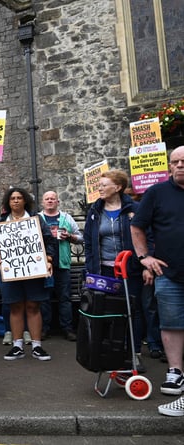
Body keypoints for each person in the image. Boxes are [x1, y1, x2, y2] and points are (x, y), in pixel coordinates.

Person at [131, 146, 184, 416]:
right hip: (170, 273)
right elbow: (137, 225)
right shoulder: (157, 193)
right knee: (172, 324)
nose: (179, 166)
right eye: (174, 162)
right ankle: (176, 371)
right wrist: (144, 258)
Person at [84, 169, 144, 369]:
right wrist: (90, 269)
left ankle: (134, 352)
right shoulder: (94, 211)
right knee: (107, 312)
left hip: (130, 270)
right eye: (99, 185)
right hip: (104, 271)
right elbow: (89, 243)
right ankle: (110, 354)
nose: (99, 188)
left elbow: (145, 236)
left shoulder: (134, 209)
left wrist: (143, 264)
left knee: (131, 311)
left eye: (103, 185)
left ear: (117, 187)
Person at [0, 187, 57, 361]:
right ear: (8, 202)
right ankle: (17, 346)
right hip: (11, 271)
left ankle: (37, 346)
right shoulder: (2, 221)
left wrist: (48, 258)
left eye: (19, 198)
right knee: (15, 306)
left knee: (33, 306)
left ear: (25, 200)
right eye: (13, 198)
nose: (16, 201)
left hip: (33, 271)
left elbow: (49, 240)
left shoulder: (36, 220)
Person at [38, 191, 83, 341]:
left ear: (58, 201)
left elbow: (80, 238)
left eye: (53, 199)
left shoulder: (66, 218)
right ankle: (44, 329)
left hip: (62, 263)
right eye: (47, 199)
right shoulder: (37, 218)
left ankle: (67, 329)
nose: (50, 201)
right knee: (44, 298)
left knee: (65, 298)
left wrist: (69, 236)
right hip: (42, 264)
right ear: (42, 202)